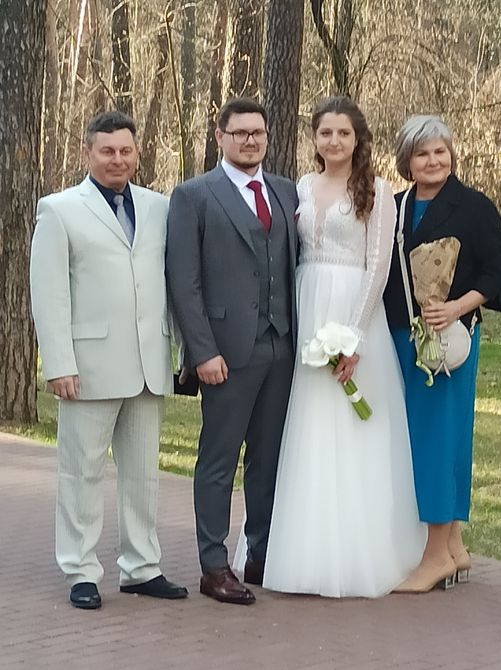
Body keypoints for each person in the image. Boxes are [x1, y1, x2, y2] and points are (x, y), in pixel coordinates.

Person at [237, 96, 427, 598]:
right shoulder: (300, 186)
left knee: (348, 427)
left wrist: (353, 336)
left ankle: (354, 551)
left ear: (357, 138)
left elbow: (378, 266)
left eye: (344, 133)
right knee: (301, 424)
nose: (335, 141)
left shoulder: (377, 190)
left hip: (352, 307)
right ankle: (291, 547)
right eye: (326, 133)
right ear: (314, 138)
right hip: (305, 307)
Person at [29, 111, 188, 609]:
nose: (117, 159)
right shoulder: (59, 210)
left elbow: (174, 283)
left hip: (148, 363)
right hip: (88, 365)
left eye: (125, 151)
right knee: (82, 473)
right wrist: (59, 362)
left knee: (143, 475)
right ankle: (80, 570)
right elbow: (49, 293)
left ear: (137, 153)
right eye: (107, 151)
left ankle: (141, 567)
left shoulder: (159, 207)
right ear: (87, 153)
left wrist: (182, 350)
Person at [166, 98, 299, 606]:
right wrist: (202, 351)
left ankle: (259, 554)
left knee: (268, 458)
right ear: (220, 137)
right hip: (225, 352)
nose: (250, 140)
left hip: (282, 346)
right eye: (240, 133)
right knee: (219, 459)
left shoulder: (285, 191)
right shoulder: (194, 195)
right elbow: (184, 282)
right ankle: (213, 565)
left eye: (257, 133)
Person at [383, 115, 501, 593]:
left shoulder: (475, 207)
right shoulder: (394, 208)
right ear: (407, 160)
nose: (433, 160)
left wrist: (457, 307)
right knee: (433, 439)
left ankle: (435, 556)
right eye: (422, 153)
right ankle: (454, 546)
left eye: (440, 151)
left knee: (437, 442)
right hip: (401, 337)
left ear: (452, 155)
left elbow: (499, 276)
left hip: (448, 342)